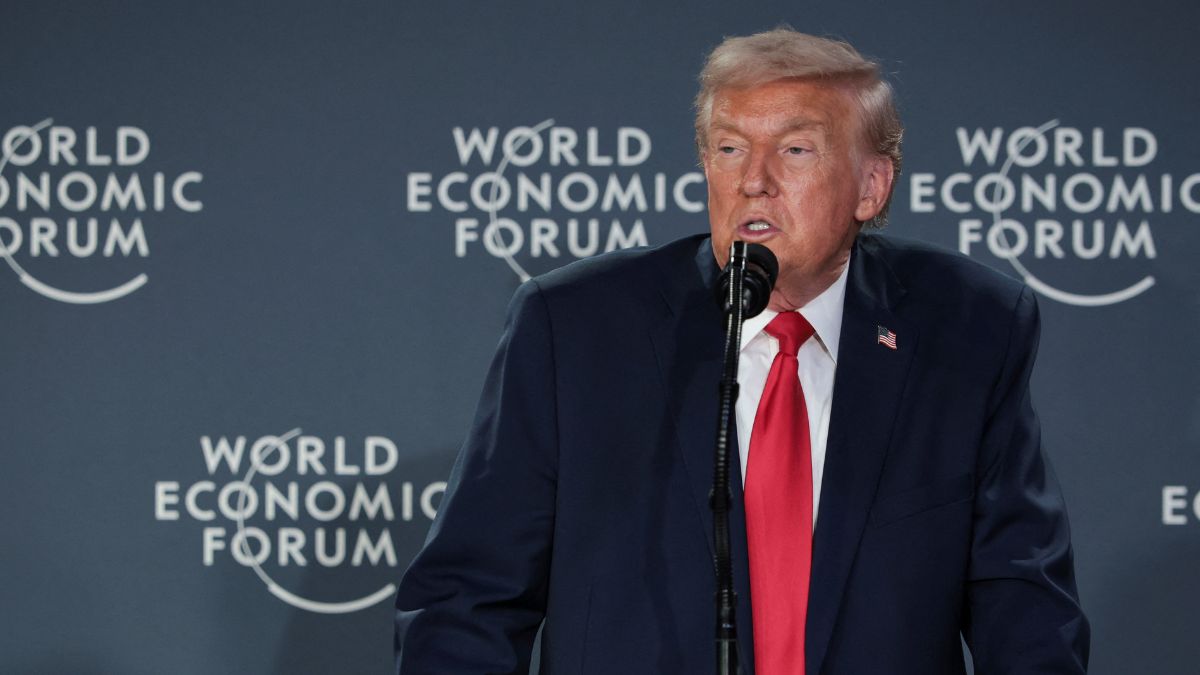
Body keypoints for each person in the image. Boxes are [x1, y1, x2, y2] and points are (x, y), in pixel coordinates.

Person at [395, 28, 1089, 674]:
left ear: (871, 186)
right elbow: (469, 596)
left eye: (795, 149)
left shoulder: (968, 327)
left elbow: (1025, 606)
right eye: (729, 148)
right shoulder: (576, 329)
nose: (752, 180)